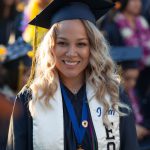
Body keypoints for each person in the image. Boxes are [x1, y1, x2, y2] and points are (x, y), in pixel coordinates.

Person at [6, 0, 139, 150]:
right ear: (51, 47)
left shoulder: (113, 96)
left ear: (92, 48)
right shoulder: (30, 100)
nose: (71, 53)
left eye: (81, 44)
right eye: (62, 43)